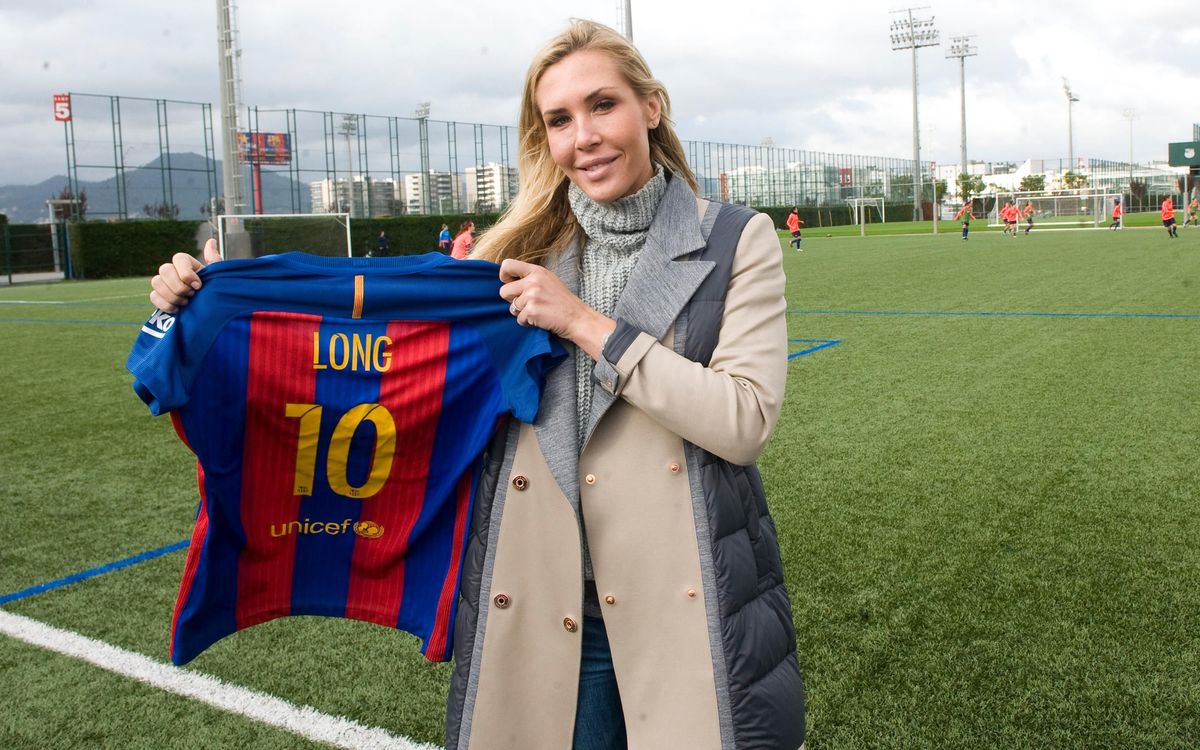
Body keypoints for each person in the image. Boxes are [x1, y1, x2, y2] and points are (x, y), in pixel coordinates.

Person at [146, 19, 805, 750]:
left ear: (651, 107)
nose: (583, 135)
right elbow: (367, 330)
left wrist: (587, 324)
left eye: (603, 105)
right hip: (550, 605)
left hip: (685, 598)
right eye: (559, 119)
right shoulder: (513, 257)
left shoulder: (737, 238)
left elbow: (744, 422)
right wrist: (206, 297)